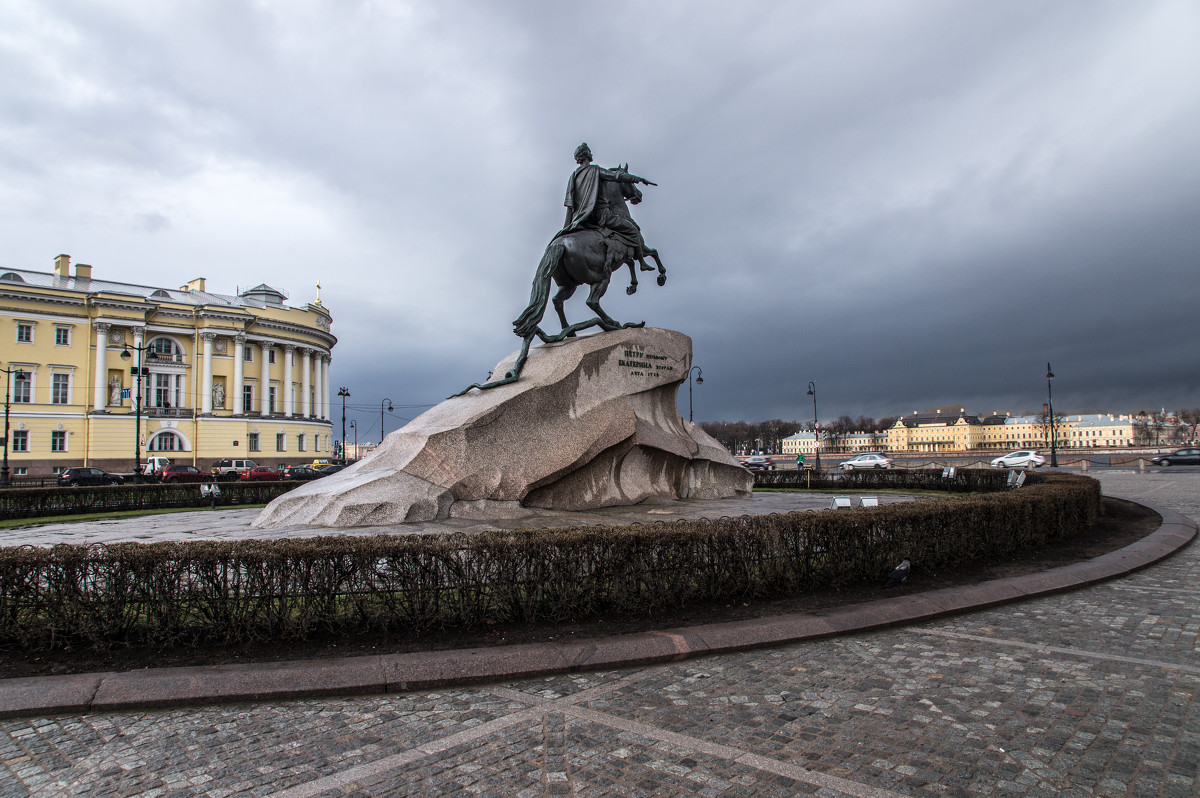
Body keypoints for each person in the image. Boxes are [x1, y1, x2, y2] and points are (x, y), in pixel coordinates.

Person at [559, 142, 656, 269]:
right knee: (632, 230)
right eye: (589, 151)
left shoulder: (573, 177)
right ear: (586, 154)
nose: (591, 153)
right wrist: (638, 179)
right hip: (601, 215)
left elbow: (570, 202)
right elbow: (617, 176)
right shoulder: (595, 170)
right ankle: (642, 263)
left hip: (582, 218)